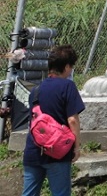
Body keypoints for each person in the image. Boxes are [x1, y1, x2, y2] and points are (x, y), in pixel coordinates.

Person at [22, 44, 84, 196]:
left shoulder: (35, 91)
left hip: (33, 150)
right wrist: (76, 148)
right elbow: (73, 120)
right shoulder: (68, 86)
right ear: (67, 66)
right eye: (71, 67)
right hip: (58, 152)